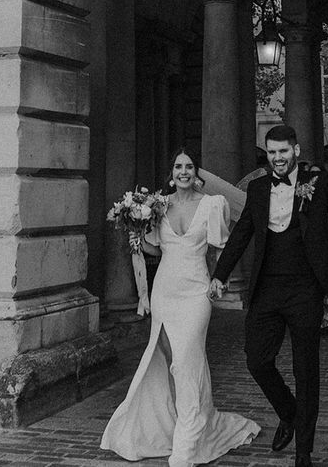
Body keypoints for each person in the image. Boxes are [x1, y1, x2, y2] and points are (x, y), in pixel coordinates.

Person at [209, 126, 328, 467]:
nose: (277, 158)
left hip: (305, 290)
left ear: (294, 150)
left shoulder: (318, 182)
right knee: (257, 360)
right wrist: (220, 274)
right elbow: (242, 233)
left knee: (305, 370)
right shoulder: (259, 188)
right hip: (267, 288)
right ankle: (289, 412)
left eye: (283, 151)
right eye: (271, 152)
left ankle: (303, 452)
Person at [101, 148, 260, 467]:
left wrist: (219, 278)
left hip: (196, 292)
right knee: (167, 359)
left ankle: (189, 440)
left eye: (189, 166)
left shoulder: (213, 205)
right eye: (178, 166)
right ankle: (168, 424)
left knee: (187, 360)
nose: (184, 171)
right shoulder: (157, 206)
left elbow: (223, 246)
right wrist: (136, 230)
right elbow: (153, 248)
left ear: (196, 173)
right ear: (171, 173)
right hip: (165, 291)